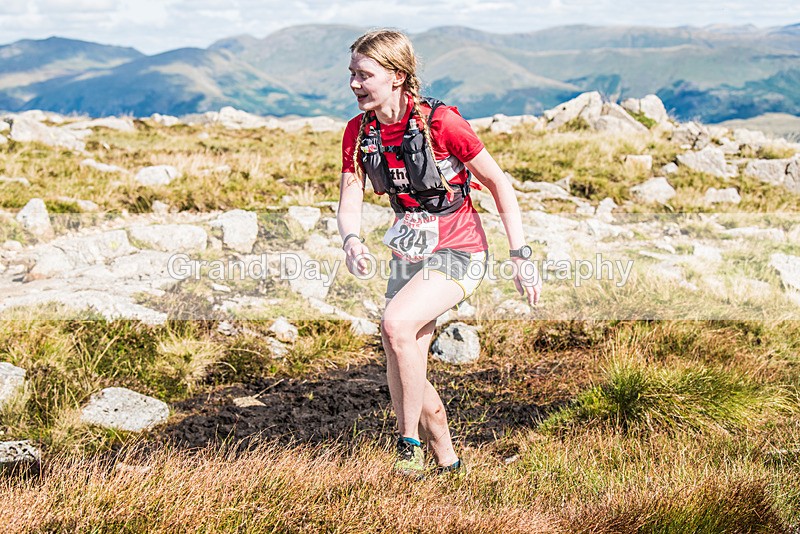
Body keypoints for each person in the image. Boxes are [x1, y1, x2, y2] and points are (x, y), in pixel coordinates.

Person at [337, 29, 541, 478]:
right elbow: (349, 197)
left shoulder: (442, 123)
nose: (353, 84)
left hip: (461, 248)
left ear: (397, 76)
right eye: (351, 73)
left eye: (363, 74)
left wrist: (520, 255)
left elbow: (498, 182)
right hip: (409, 253)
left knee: (395, 325)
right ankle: (448, 461)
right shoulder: (359, 131)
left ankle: (407, 444)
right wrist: (351, 240)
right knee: (401, 352)